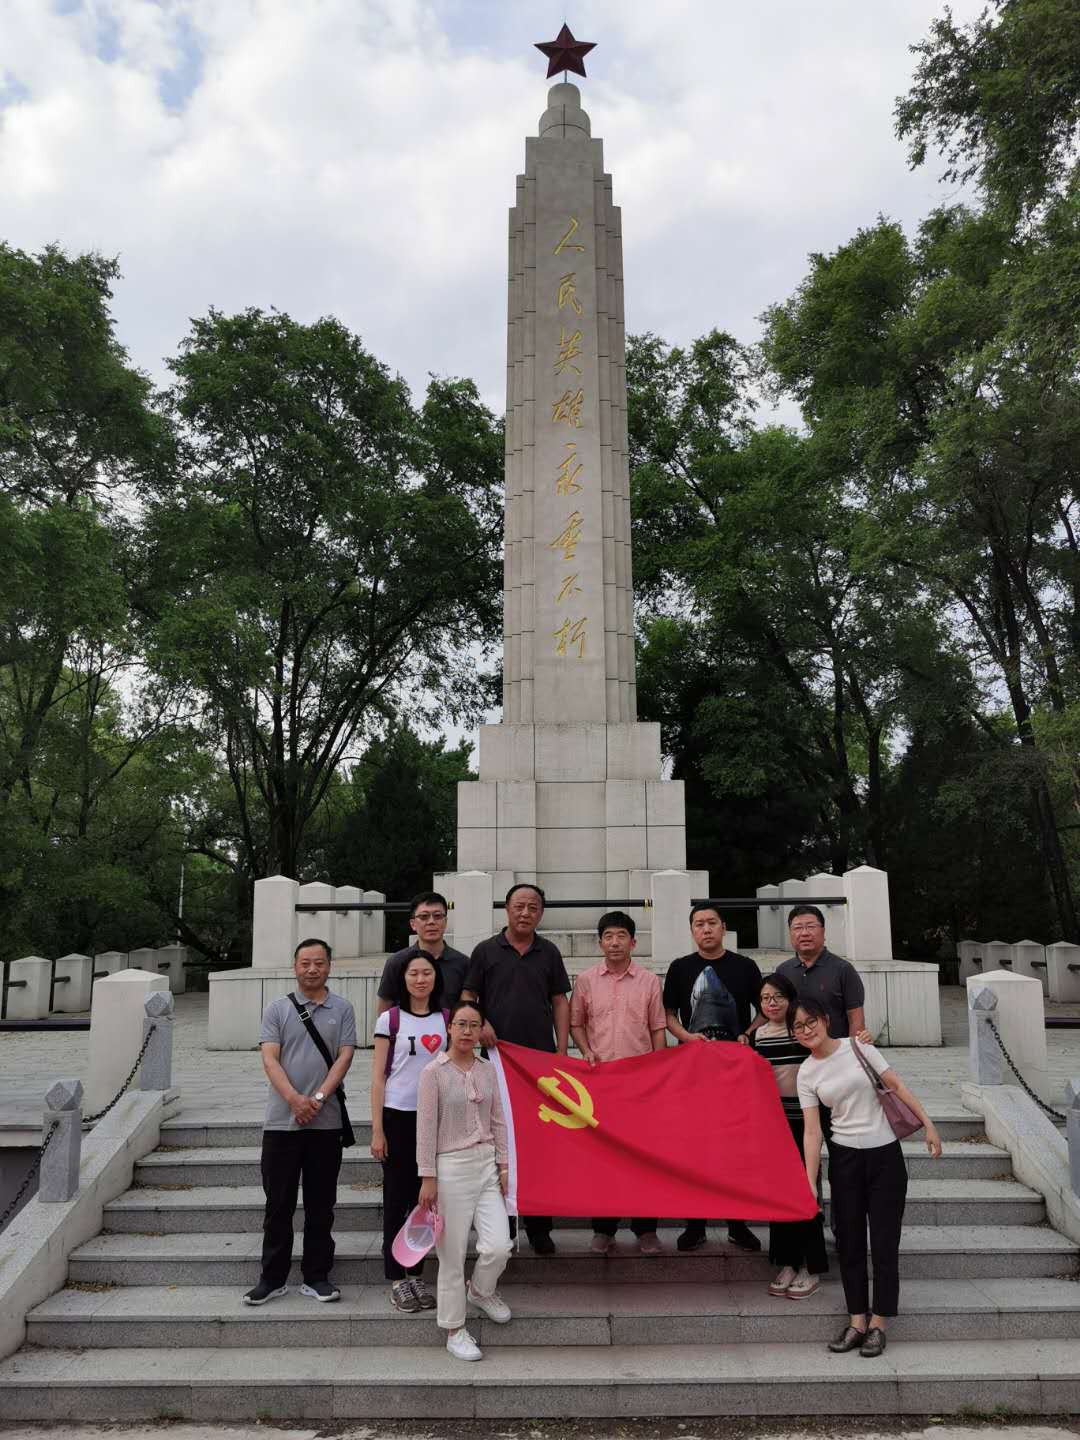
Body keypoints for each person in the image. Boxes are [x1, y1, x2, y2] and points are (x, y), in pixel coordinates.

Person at [796, 995, 942, 1357]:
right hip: (845, 1160)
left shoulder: (859, 1047)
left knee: (884, 1241)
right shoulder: (806, 1073)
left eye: (811, 1021)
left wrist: (928, 1124)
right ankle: (856, 1320)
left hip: (885, 1157)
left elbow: (897, 1085)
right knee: (849, 1242)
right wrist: (808, 1181)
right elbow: (812, 1132)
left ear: (825, 1020)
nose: (807, 1030)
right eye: (798, 1026)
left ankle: (879, 1322)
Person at [244, 938, 356, 1306]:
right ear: (295, 966)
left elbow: (344, 1057)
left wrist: (318, 1099)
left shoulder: (343, 1009)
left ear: (329, 967)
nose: (312, 969)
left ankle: (317, 1275)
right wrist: (294, 1099)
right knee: (278, 1204)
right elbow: (269, 1058)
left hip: (326, 1123)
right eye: (305, 962)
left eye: (319, 962)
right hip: (282, 1122)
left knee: (321, 1204)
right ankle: (272, 1278)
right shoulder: (277, 1009)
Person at [462, 882, 571, 1254]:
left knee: (538, 1145)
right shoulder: (485, 951)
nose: (525, 913)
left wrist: (561, 1051)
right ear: (507, 909)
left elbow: (559, 1000)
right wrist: (481, 1023)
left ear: (541, 913)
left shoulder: (548, 952)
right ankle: (502, 1227)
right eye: (519, 906)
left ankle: (540, 1228)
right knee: (498, 1144)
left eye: (533, 907)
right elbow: (468, 996)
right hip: (496, 1062)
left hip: (539, 1065)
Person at [662, 902, 763, 1252]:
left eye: (711, 923)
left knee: (735, 1147)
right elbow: (669, 1015)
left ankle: (738, 1223)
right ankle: (695, 1224)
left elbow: (765, 1009)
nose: (705, 929)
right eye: (699, 924)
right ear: (692, 930)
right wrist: (687, 1037)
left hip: (735, 1070)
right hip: (693, 1069)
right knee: (695, 1147)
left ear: (723, 927)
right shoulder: (679, 968)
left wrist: (747, 1033)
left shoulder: (745, 966)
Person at [416, 1000, 513, 1362]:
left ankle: (482, 1291)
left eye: (474, 1025)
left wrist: (504, 1165)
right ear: (449, 1028)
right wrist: (428, 1177)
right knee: (452, 1255)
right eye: (461, 1024)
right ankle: (454, 1330)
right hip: (450, 1167)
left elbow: (499, 1119)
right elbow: (425, 1129)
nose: (467, 1031)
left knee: (499, 1245)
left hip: (486, 1165)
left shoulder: (488, 1070)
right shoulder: (433, 1073)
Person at [570, 910, 667, 1256]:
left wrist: (659, 1072)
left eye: (621, 936)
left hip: (640, 1083)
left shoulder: (649, 981)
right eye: (608, 936)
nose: (614, 942)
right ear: (600, 942)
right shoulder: (585, 981)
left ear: (633, 942)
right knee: (603, 1158)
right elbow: (576, 1023)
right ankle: (604, 1229)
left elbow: (657, 1028)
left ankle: (646, 1230)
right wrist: (586, 1050)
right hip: (600, 1084)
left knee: (644, 1158)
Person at [371, 951, 447, 1314]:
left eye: (426, 973)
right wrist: (377, 1130)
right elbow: (378, 1078)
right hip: (398, 1117)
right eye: (413, 973)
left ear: (435, 978)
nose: (420, 979)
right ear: (403, 979)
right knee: (397, 1201)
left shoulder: (446, 1019)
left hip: (437, 1120)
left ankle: (415, 1272)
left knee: (426, 1202)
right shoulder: (390, 1019)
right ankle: (397, 1278)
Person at [749, 972, 828, 1298]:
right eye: (765, 998)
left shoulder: (801, 1031)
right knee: (779, 1194)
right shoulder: (758, 1036)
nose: (771, 1003)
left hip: (806, 1124)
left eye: (778, 996)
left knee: (807, 1190)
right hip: (774, 1127)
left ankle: (811, 1265)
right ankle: (786, 1262)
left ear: (790, 998)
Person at [776, 905, 866, 1040]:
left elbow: (856, 1019)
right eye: (798, 928)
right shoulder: (783, 971)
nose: (804, 933)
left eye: (811, 927)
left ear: (823, 931)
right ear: (790, 933)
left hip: (834, 1049)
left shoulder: (843, 969)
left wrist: (853, 1048)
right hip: (793, 1049)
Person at [376, 891, 469, 1016]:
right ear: (413, 924)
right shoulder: (396, 962)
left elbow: (466, 1010)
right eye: (424, 917)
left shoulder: (463, 963)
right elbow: (384, 1008)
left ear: (446, 922)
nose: (431, 922)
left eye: (437, 916)